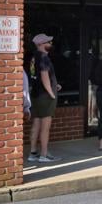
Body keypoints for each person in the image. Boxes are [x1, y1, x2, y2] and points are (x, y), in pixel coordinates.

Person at [28, 34, 61, 163]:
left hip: (36, 95)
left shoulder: (33, 57)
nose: (50, 44)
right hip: (45, 97)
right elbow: (44, 76)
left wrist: (54, 85)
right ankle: (44, 154)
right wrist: (51, 93)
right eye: (48, 42)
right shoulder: (44, 58)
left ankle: (33, 152)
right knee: (45, 127)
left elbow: (34, 75)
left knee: (36, 124)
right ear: (41, 44)